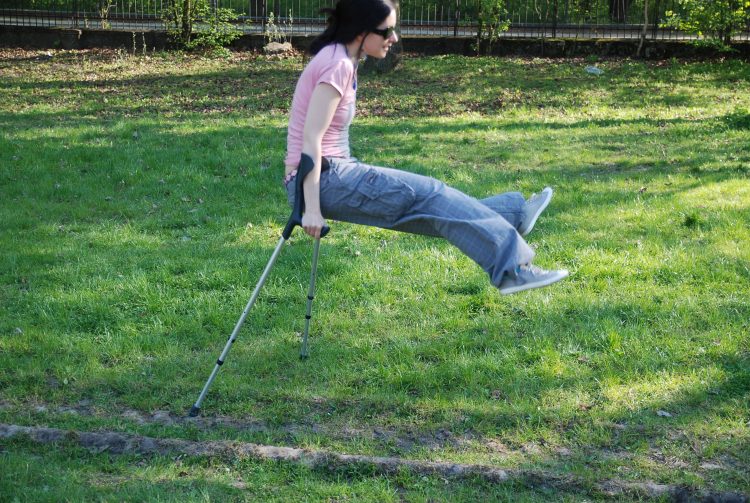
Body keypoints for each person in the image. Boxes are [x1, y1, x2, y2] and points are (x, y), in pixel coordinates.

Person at [283, 0, 568, 295]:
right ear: (360, 31)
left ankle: (511, 214)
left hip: (332, 174)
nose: (393, 38)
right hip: (323, 180)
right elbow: (311, 139)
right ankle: (513, 269)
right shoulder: (337, 65)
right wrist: (312, 209)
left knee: (431, 209)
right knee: (432, 194)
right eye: (386, 31)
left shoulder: (343, 58)